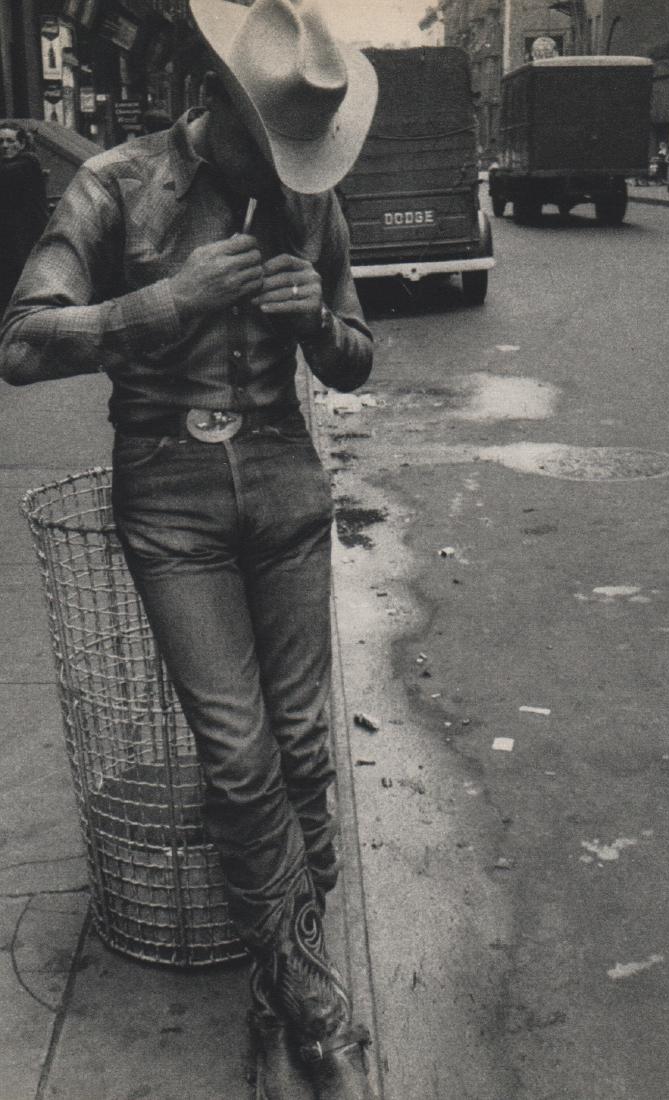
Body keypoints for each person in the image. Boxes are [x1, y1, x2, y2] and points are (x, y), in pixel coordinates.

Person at [0, 1, 378, 1097]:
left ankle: (284, 991)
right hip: (168, 492)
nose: (290, 170)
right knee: (240, 754)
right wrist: (163, 302)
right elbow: (22, 341)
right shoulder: (114, 184)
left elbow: (357, 358)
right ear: (217, 98)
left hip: (284, 478)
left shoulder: (312, 201)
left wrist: (316, 322)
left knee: (306, 746)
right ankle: (321, 1009)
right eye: (275, 143)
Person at [0, 120, 48, 316]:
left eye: (10, 141)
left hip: (23, 239)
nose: (4, 146)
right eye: (1, 141)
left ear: (21, 144)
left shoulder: (27, 163)